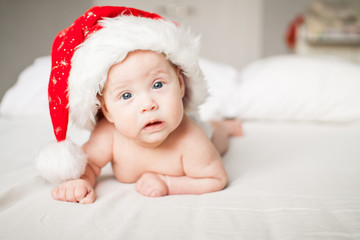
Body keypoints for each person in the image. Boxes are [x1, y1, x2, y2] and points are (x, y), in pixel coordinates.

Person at [35, 6, 242, 204]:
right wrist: (80, 182)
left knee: (217, 138)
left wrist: (168, 184)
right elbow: (90, 165)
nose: (148, 104)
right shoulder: (108, 135)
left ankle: (223, 125)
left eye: (158, 85)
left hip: (204, 134)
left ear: (180, 85)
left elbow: (216, 179)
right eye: (126, 96)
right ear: (107, 111)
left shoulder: (192, 139)